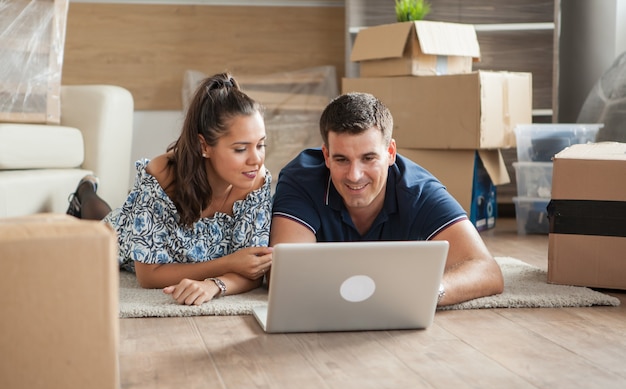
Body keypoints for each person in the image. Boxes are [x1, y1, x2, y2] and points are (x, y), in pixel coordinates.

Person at [270, 92, 504, 306]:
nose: (355, 175)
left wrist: (429, 292)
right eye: (341, 159)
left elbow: (486, 270)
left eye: (368, 158)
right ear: (326, 156)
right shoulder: (301, 180)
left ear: (391, 153)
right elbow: (285, 274)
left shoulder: (418, 190)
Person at [67, 72, 273, 305]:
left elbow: (252, 269)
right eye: (240, 149)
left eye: (261, 144)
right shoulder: (163, 174)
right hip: (124, 239)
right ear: (204, 145)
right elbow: (148, 275)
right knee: (101, 227)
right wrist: (228, 263)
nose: (256, 159)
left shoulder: (257, 181)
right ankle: (85, 192)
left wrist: (215, 285)